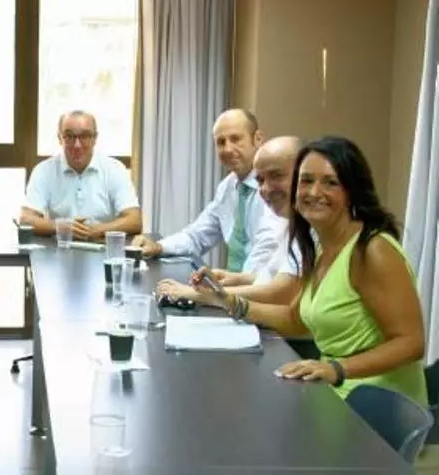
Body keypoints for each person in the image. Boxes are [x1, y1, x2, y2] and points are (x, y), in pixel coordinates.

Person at [190, 136, 427, 406]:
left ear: (352, 190)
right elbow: (296, 318)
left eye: (330, 182)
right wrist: (226, 301)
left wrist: (336, 369)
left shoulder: (372, 249)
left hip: (376, 409)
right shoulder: (322, 246)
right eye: (306, 181)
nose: (314, 192)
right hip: (333, 394)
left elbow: (411, 343)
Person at [132, 109, 285, 273]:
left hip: (262, 284)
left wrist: (230, 286)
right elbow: (197, 236)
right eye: (221, 142)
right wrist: (158, 247)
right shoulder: (227, 187)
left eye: (235, 139)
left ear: (258, 139)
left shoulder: (275, 189)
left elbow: (267, 256)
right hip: (235, 284)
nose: (227, 149)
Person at [157, 136, 303, 305]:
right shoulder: (228, 186)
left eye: (277, 176)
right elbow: (277, 276)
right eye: (260, 180)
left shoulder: (310, 229)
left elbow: (280, 293)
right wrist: (237, 279)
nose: (266, 188)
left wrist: (201, 295)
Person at [20, 110, 142, 240]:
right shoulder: (44, 170)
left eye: (85, 136)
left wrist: (97, 230)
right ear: (60, 138)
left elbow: (134, 220)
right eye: (69, 136)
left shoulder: (114, 169)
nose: (77, 145)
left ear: (95, 138)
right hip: (59, 247)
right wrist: (60, 227)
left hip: (102, 247)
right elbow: (26, 219)